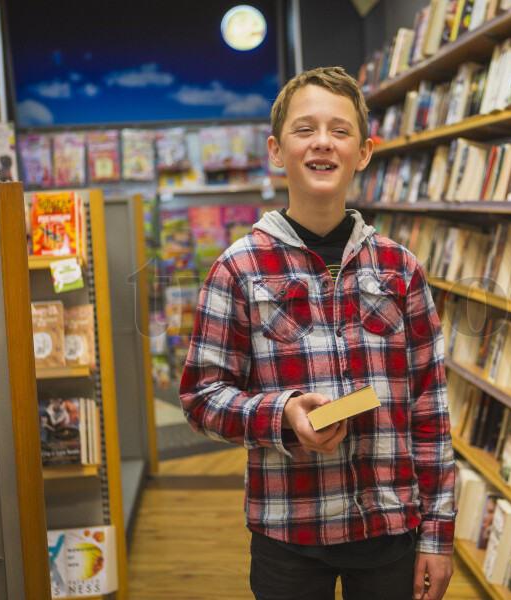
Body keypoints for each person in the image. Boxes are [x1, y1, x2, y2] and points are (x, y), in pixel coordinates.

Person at [179, 66, 456, 600]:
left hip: (391, 527)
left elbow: (430, 408)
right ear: (276, 151)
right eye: (304, 129)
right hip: (288, 532)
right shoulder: (237, 268)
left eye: (340, 130)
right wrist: (281, 414)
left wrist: (438, 534)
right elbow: (201, 397)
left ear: (364, 152)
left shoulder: (401, 268)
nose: (323, 142)